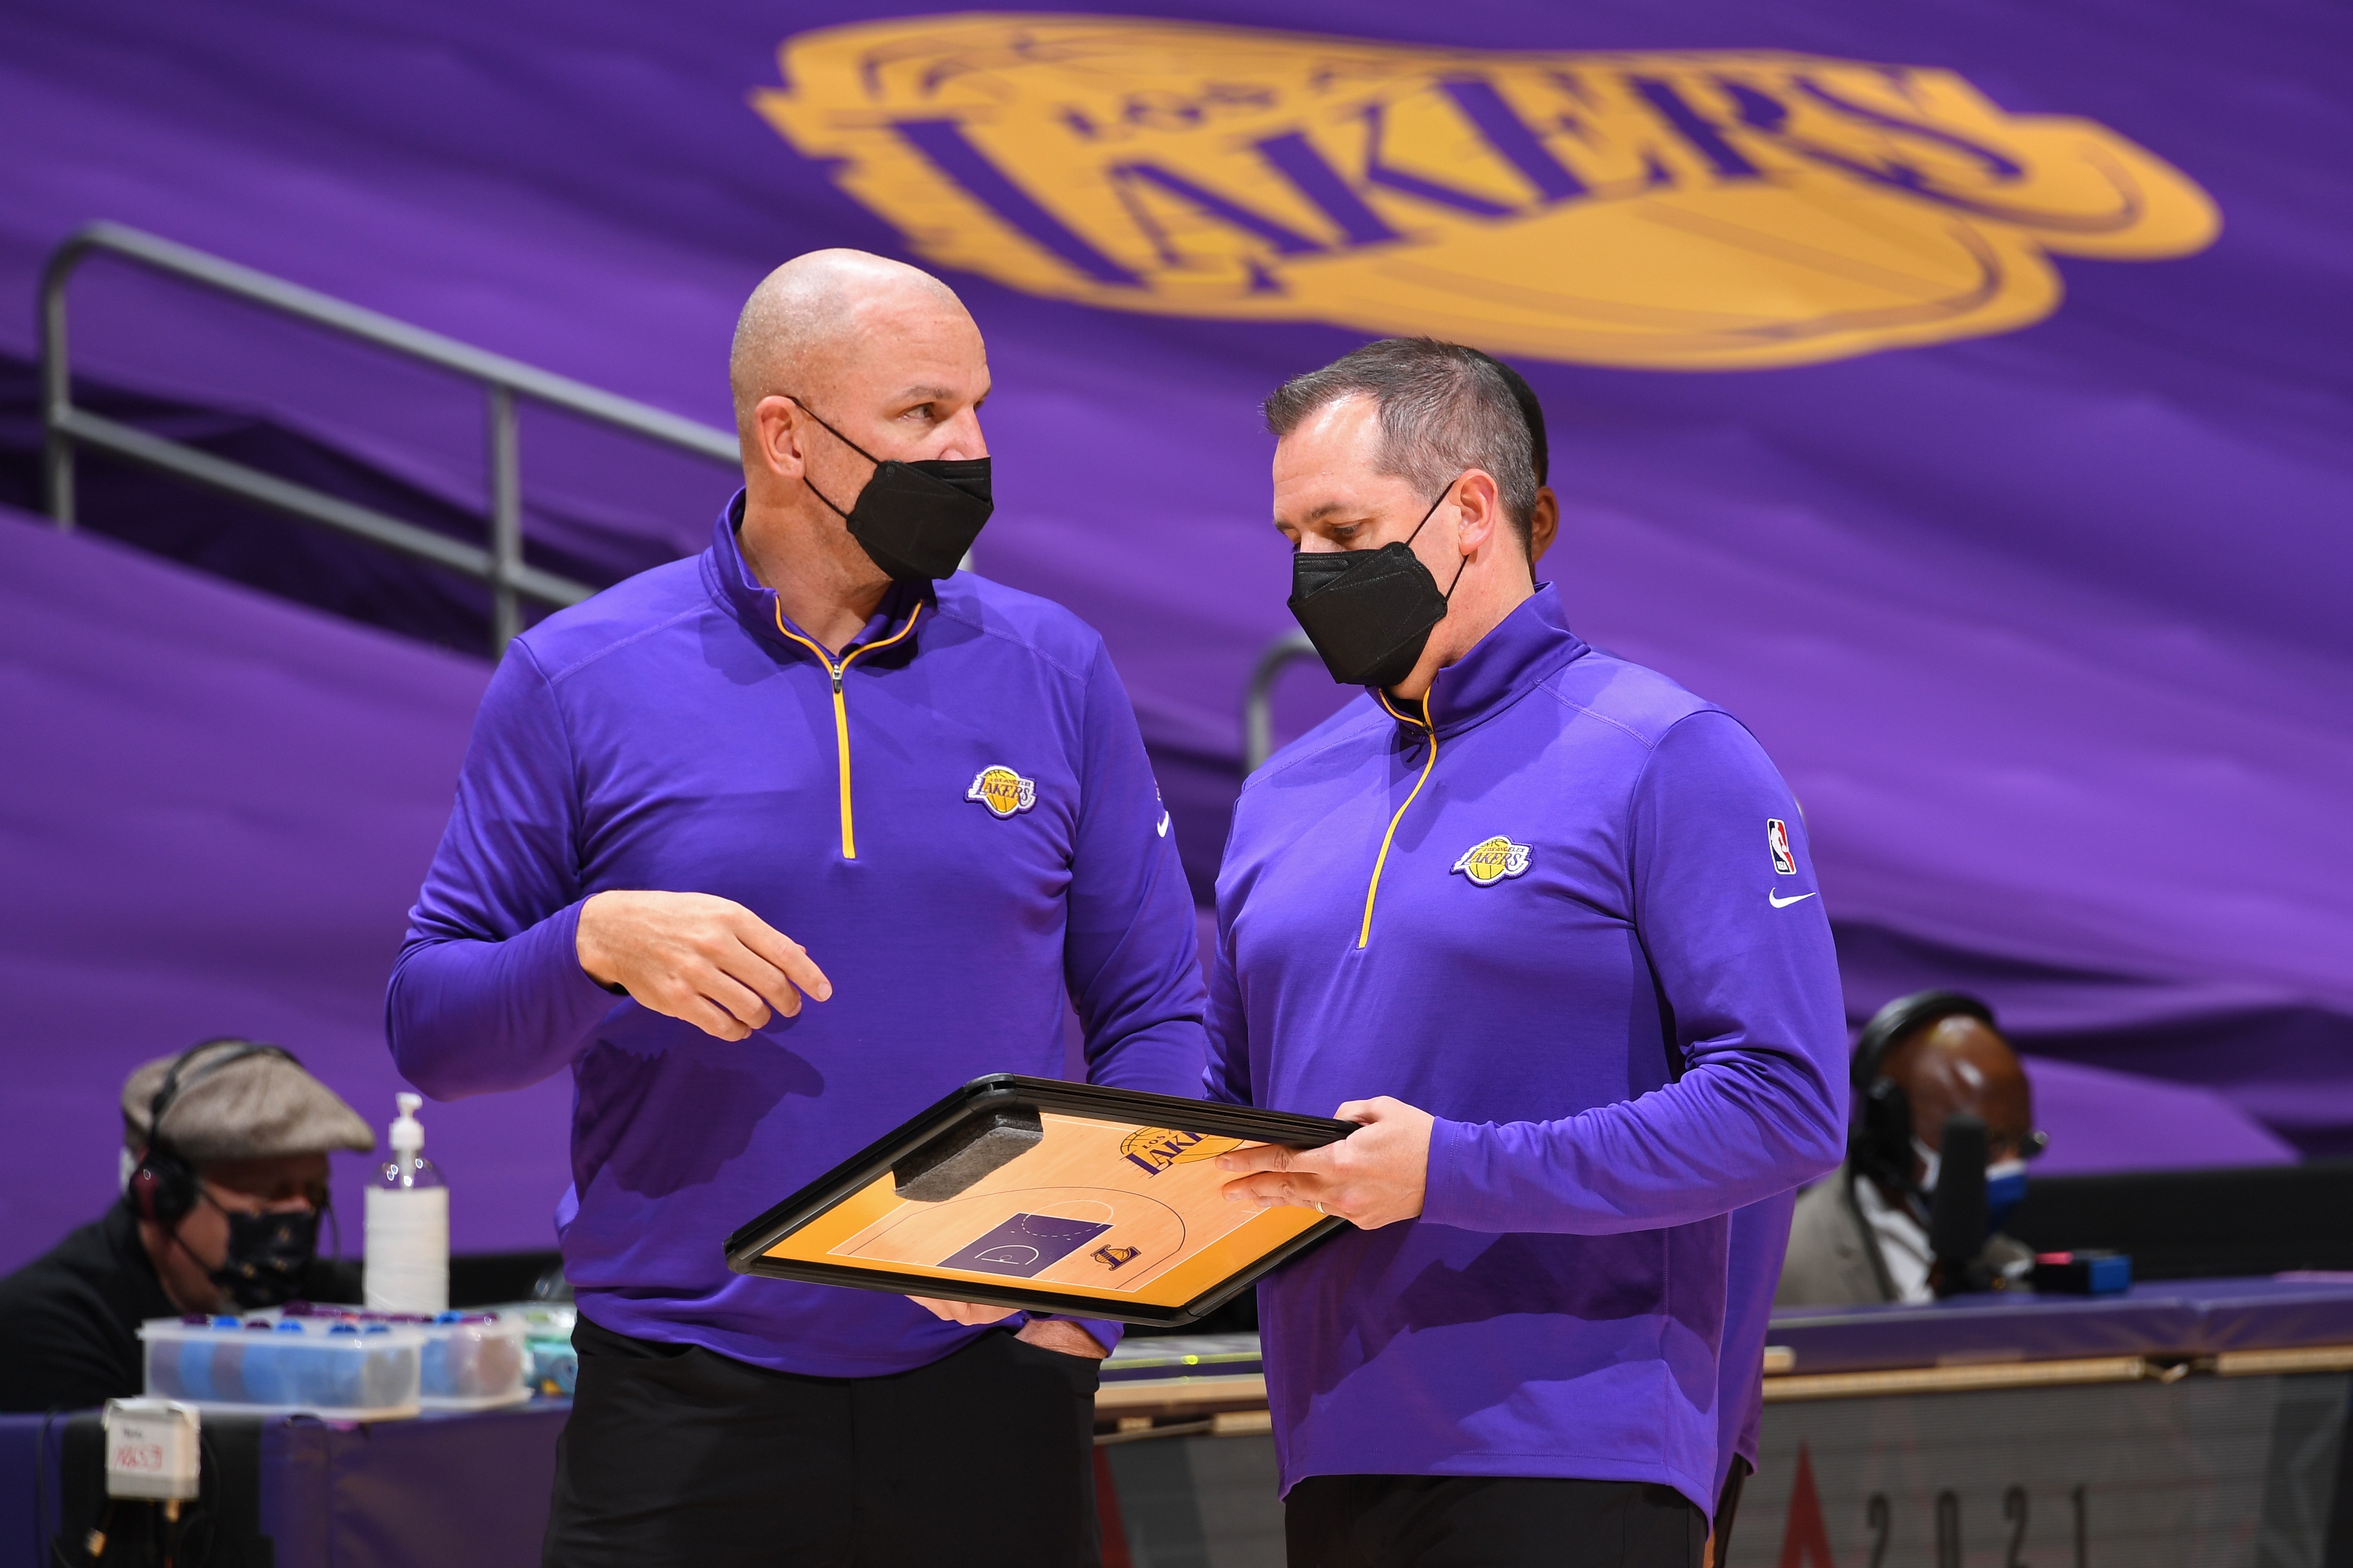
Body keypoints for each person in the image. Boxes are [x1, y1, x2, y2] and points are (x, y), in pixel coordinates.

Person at [386, 249, 1206, 1568]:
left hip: (990, 1395)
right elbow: (430, 1027)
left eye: (980, 409)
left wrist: (1077, 1308)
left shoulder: (1054, 667)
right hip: (680, 1406)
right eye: (924, 414)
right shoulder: (577, 677)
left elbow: (1158, 1008)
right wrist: (591, 943)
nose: (973, 449)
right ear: (786, 435)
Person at [1206, 337, 1847, 1567]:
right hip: (1329, 1447)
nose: (1307, 573)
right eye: (1291, 538)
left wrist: (1449, 1171)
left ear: (1471, 512)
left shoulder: (1668, 754)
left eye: (1341, 531)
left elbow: (1787, 1105)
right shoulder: (1284, 791)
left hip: (1578, 1444)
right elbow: (1223, 1109)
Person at [0, 1038, 372, 1413]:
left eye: (314, 1190)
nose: (301, 1212)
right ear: (161, 1194)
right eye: (269, 1193)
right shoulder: (47, 1325)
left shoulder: (328, 1298)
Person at [1777, 990, 2044, 1306]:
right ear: (1890, 1131)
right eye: (1989, 1144)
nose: (2012, 1167)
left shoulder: (2011, 1266)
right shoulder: (1784, 1266)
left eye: (2023, 1143)